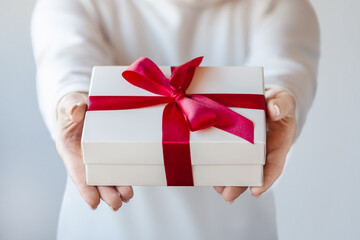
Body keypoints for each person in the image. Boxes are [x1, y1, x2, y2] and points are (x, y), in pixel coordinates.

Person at [31, 0, 320, 239]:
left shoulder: (282, 5)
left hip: (232, 224)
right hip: (108, 225)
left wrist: (282, 101)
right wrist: (69, 99)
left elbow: (284, 69)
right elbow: (67, 62)